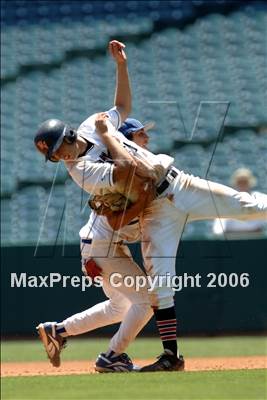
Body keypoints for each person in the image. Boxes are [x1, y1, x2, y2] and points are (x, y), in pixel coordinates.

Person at [34, 40, 267, 372]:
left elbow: (123, 107)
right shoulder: (81, 171)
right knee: (155, 290)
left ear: (69, 135)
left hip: (175, 185)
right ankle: (165, 356)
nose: (59, 158)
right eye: (53, 156)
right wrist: (111, 136)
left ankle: (80, 341)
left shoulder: (91, 127)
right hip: (145, 215)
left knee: (246, 205)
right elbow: (130, 170)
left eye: (58, 150)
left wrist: (121, 66)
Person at [212, 168, 267, 238]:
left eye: (245, 182)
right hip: (232, 242)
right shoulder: (227, 200)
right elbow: (218, 229)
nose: (242, 185)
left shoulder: (259, 198)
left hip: (256, 241)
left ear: (250, 183)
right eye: (240, 182)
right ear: (235, 183)